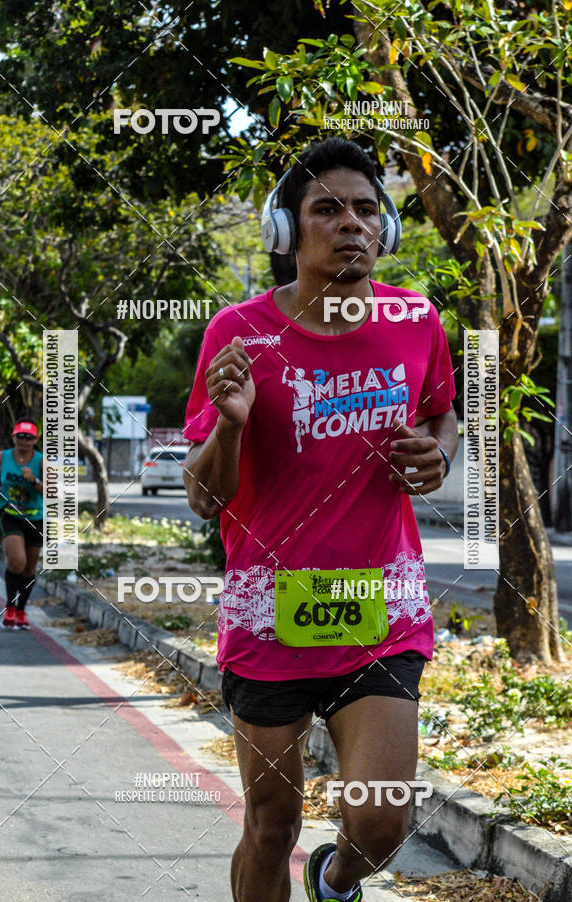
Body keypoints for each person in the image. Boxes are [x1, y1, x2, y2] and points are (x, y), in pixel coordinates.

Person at [183, 137, 458, 902]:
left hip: (381, 609)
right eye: (327, 209)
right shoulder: (237, 333)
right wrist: (231, 425)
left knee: (382, 821)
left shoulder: (415, 319)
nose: (351, 224)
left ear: (386, 228)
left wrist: (436, 453)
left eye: (366, 210)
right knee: (272, 825)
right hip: (269, 615)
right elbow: (204, 497)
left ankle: (334, 881)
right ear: (285, 230)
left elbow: (442, 411)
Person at [0, 418, 43, 630]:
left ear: (35, 439)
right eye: (20, 436)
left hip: (35, 518)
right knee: (17, 561)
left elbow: (52, 491)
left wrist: (34, 481)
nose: (24, 441)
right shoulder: (1, 457)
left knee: (29, 568)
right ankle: (10, 608)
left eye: (29, 437)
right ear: (14, 437)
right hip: (9, 515)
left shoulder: (41, 462)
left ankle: (21, 611)